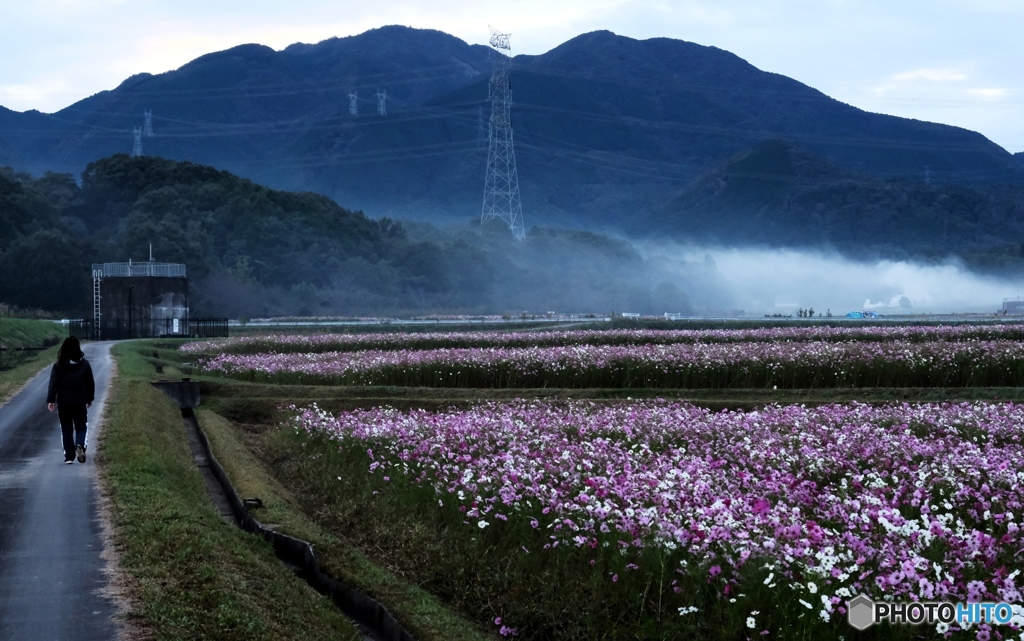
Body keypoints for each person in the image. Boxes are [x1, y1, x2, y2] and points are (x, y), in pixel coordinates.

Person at [46, 337, 95, 464]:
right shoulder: (84, 364)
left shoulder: (59, 365)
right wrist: (90, 398)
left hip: (64, 402)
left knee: (66, 428)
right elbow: (90, 382)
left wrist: (51, 399)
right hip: (80, 401)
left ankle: (69, 456)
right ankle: (80, 445)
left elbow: (53, 383)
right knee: (81, 426)